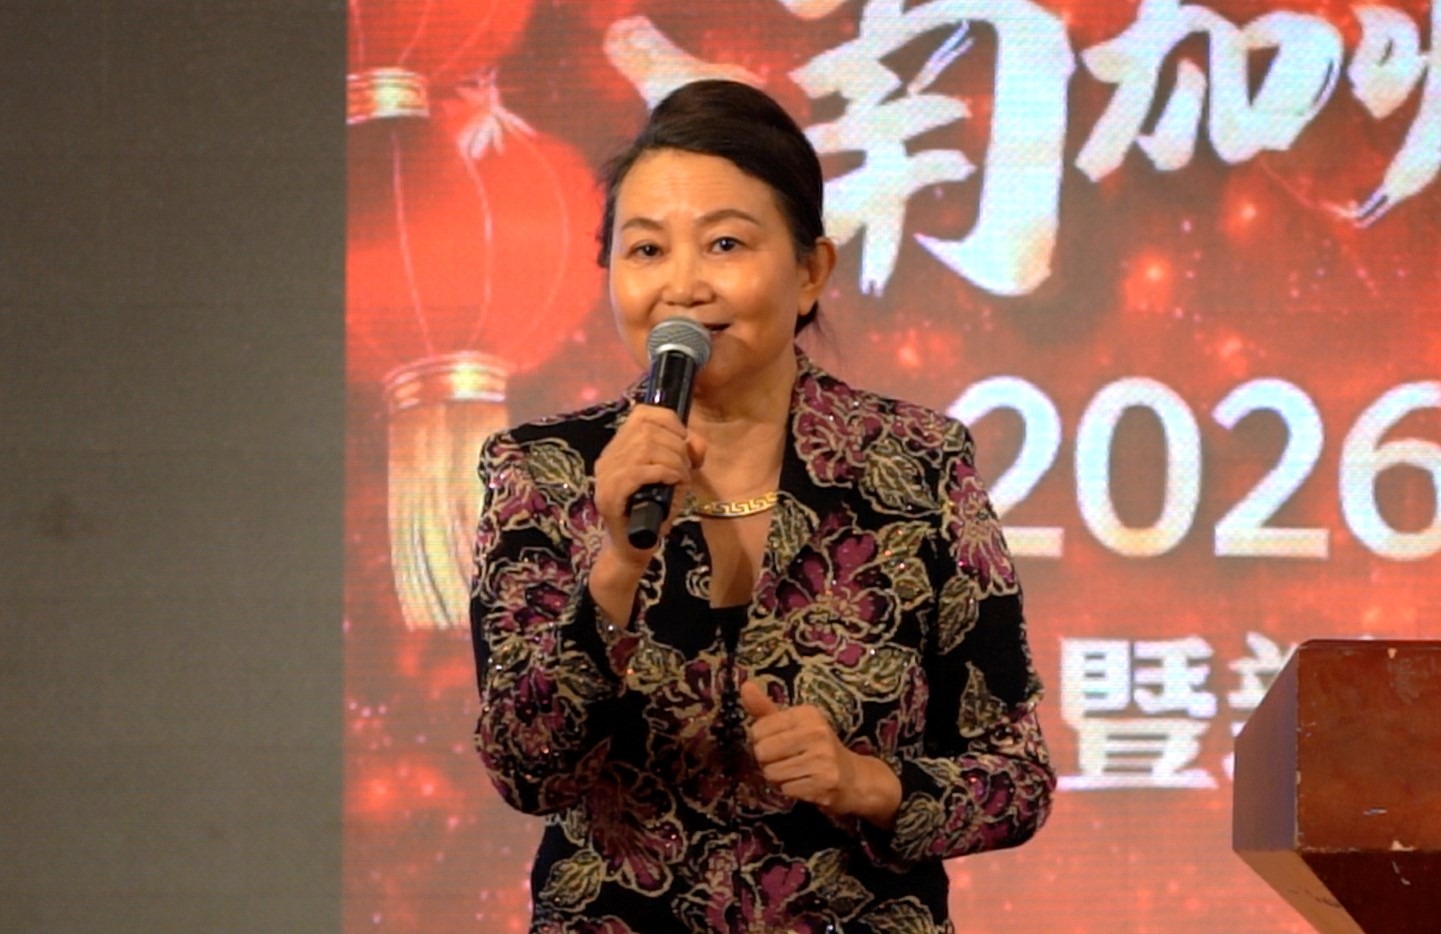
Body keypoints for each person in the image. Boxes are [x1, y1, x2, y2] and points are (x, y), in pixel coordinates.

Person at [469, 79, 1054, 933]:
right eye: (645, 250)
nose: (681, 286)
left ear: (810, 271)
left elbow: (1015, 777)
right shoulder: (542, 471)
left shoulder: (917, 465)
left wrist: (869, 784)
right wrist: (619, 561)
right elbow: (527, 769)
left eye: (724, 244)